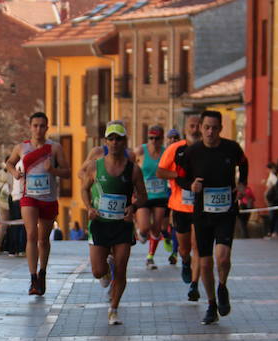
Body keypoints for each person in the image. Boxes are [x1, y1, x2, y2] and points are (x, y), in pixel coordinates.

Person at [177, 110, 248, 325]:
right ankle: (211, 304)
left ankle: (222, 286)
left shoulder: (231, 148)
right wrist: (191, 185)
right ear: (200, 127)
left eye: (214, 128)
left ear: (220, 129)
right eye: (206, 127)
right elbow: (180, 177)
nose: (210, 132)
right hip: (202, 213)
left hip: (226, 211)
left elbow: (244, 163)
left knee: (223, 258)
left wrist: (242, 184)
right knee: (206, 264)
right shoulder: (192, 152)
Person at [81, 122, 147, 325]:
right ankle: (105, 268)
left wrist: (133, 208)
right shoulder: (95, 166)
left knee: (121, 268)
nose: (115, 142)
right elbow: (84, 190)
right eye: (111, 138)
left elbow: (143, 197)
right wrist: (89, 208)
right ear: (106, 141)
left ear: (124, 142)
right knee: (97, 271)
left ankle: (114, 309)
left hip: (122, 225)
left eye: (119, 138)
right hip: (100, 224)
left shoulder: (133, 169)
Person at [5, 112, 70, 295]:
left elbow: (67, 172)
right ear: (30, 127)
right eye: (35, 125)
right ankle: (33, 278)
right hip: (29, 196)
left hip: (48, 198)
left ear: (47, 128)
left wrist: (53, 170)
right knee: (31, 234)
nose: (38, 129)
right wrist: (14, 173)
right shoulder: (22, 147)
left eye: (42, 126)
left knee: (43, 239)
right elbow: (9, 163)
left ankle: (42, 272)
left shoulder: (55, 148)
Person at [157, 114, 203, 298]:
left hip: (201, 208)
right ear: (185, 129)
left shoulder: (207, 150)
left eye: (199, 126)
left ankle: (194, 284)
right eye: (192, 126)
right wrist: (179, 177)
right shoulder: (175, 149)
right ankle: (185, 262)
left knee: (198, 246)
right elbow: (160, 172)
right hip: (180, 206)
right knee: (185, 249)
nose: (195, 129)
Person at [135, 125, 171, 269]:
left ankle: (150, 257)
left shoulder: (166, 152)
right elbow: (128, 163)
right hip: (144, 194)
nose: (153, 141)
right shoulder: (140, 151)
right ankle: (140, 231)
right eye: (151, 138)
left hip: (160, 194)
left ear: (162, 139)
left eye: (157, 139)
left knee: (157, 229)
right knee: (145, 228)